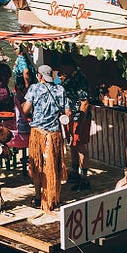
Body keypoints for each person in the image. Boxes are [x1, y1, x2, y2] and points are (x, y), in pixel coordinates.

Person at [21, 63, 67, 214]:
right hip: (54, 134)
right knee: (54, 165)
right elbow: (68, 113)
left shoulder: (34, 88)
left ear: (39, 76)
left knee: (37, 166)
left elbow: (25, 109)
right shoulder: (60, 90)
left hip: (38, 134)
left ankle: (37, 195)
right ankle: (55, 197)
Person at [59, 60, 92, 190]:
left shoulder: (80, 78)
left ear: (69, 66)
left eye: (63, 67)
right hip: (70, 117)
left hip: (79, 117)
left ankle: (84, 177)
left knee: (80, 145)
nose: (62, 70)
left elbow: (85, 103)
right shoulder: (68, 78)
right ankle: (75, 172)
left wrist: (81, 123)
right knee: (72, 144)